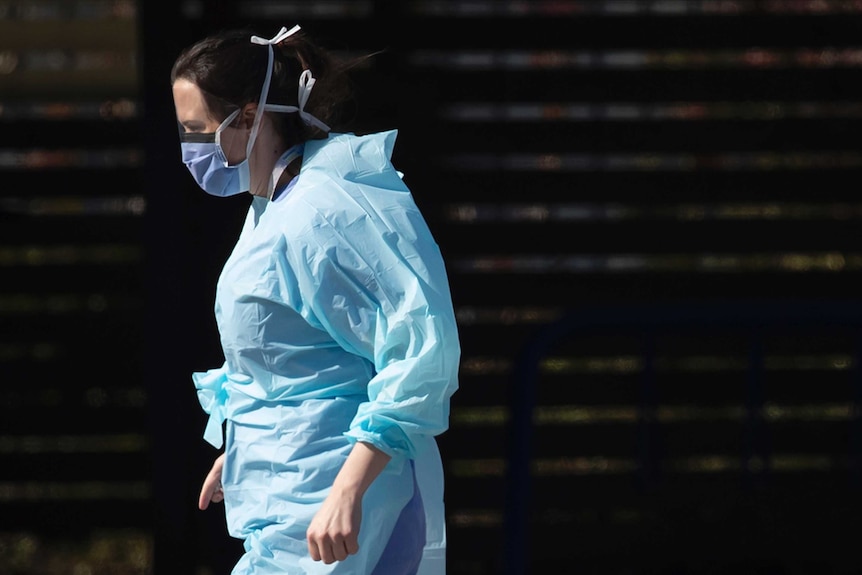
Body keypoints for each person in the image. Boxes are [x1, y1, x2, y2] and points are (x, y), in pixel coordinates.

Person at [169, 23, 461, 575]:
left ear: (249, 118)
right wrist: (247, 448)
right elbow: (295, 356)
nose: (190, 148)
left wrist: (349, 489)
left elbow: (421, 349)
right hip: (291, 499)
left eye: (197, 129)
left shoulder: (330, 210)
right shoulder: (276, 207)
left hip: (341, 509)